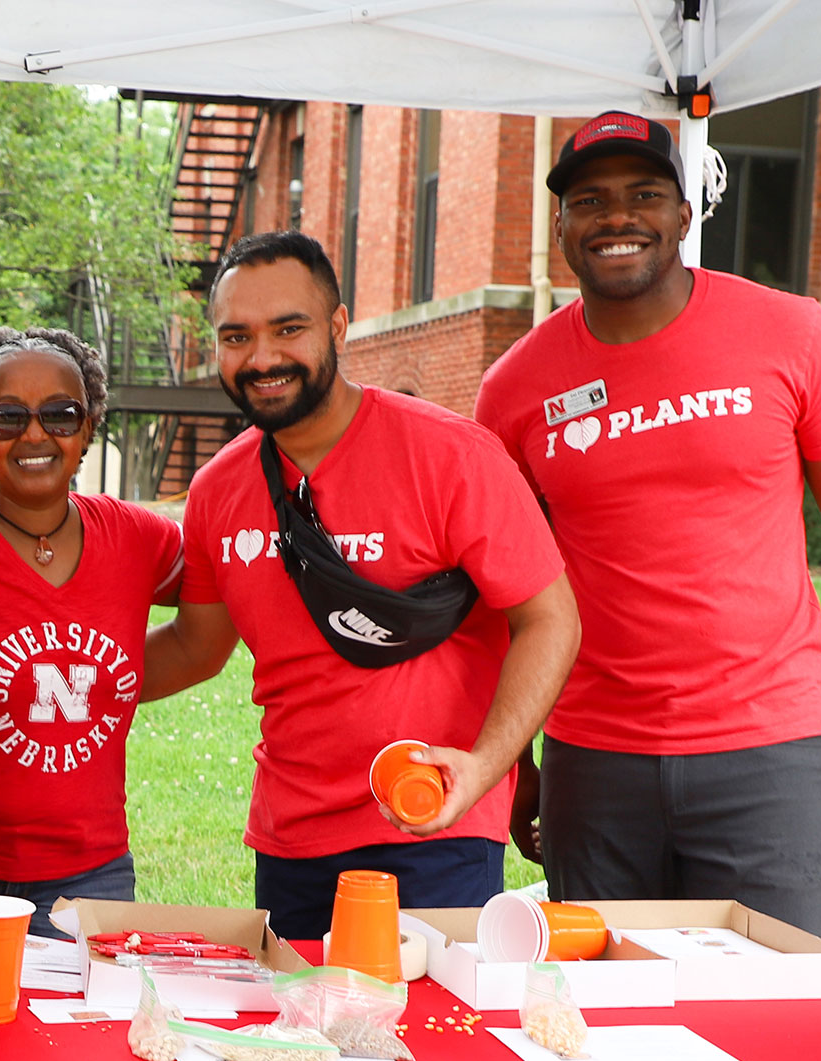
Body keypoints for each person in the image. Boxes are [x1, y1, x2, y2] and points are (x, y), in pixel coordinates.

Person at [474, 112, 821, 937]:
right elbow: (505, 587)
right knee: (602, 1015)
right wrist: (516, 756)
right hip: (593, 759)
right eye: (589, 200)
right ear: (561, 227)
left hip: (766, 750)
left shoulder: (791, 333)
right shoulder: (514, 390)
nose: (616, 217)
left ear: (685, 214)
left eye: (644, 193)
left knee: (769, 1012)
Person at [144, 231, 580, 940]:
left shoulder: (451, 455)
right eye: (236, 336)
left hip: (434, 819)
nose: (261, 358)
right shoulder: (218, 488)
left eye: (289, 329)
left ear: (338, 327)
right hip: (291, 837)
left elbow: (550, 619)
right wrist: (79, 679)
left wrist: (482, 767)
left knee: (430, 1037)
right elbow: (197, 645)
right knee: (304, 1032)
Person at [0, 327, 184, 938]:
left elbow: (228, 595)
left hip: (87, 873)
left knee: (81, 1032)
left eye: (61, 414)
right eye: (7, 417)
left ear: (90, 424)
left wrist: (101, 686)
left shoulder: (138, 539)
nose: (36, 434)